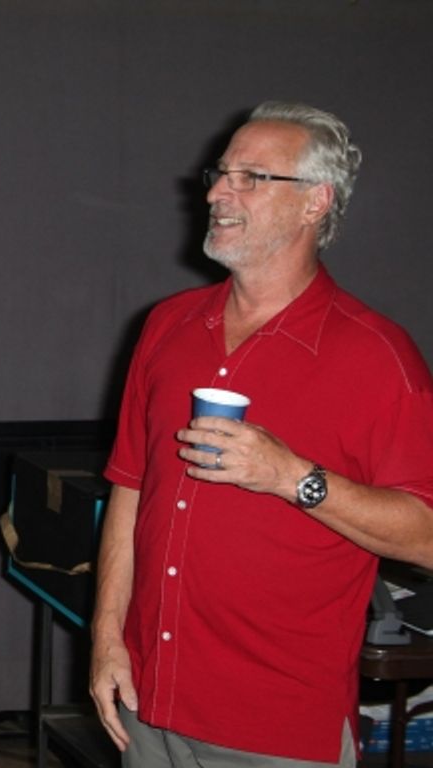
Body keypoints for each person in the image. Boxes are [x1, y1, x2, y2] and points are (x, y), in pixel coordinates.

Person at [89, 101, 433, 766]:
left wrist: (291, 477)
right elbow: (130, 489)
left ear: (315, 202)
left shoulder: (379, 357)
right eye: (221, 174)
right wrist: (106, 638)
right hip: (148, 702)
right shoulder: (166, 326)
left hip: (277, 726)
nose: (218, 192)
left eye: (251, 177)